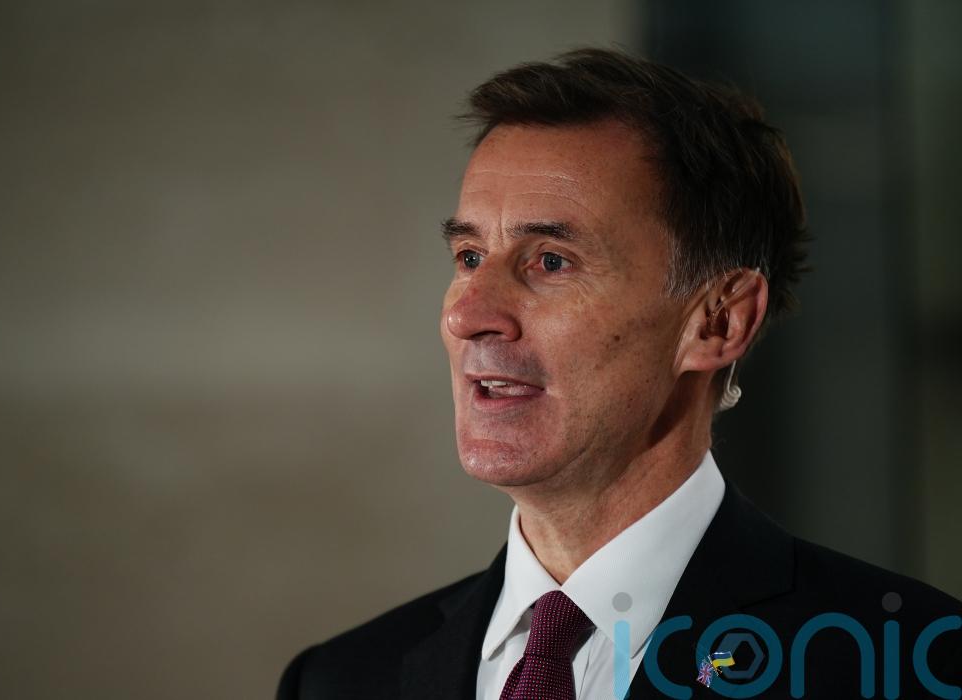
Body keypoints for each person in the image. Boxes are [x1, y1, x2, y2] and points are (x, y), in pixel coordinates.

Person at [277, 48, 962, 699]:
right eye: (468, 257)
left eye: (551, 262)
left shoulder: (908, 661)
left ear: (719, 321)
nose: (468, 315)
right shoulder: (340, 680)